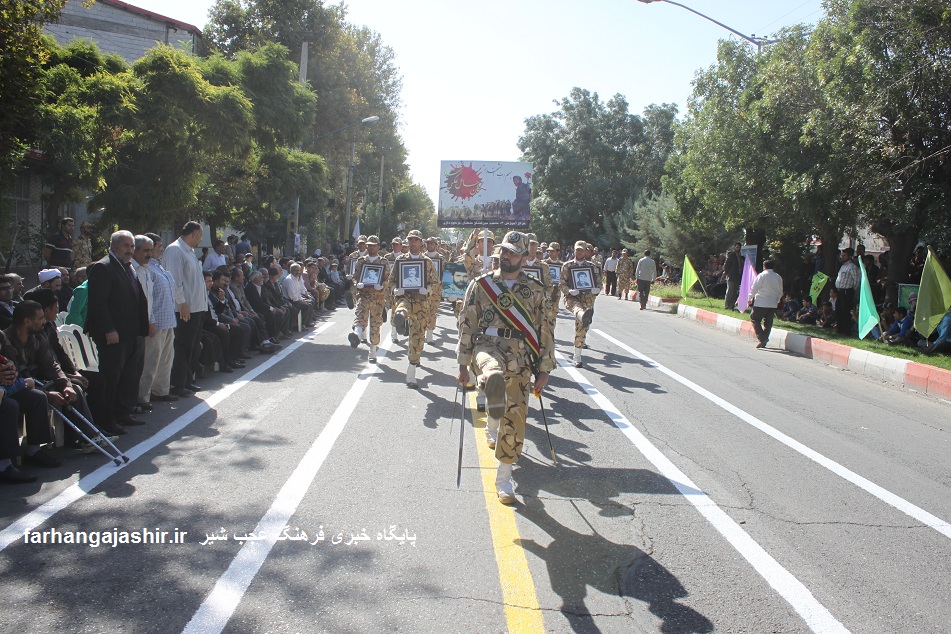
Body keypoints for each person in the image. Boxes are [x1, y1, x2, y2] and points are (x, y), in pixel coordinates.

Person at [457, 230, 554, 504]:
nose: (505, 255)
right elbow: (467, 323)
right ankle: (491, 383)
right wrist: (463, 363)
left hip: (521, 356)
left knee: (515, 417)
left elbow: (545, 328)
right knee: (492, 371)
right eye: (503, 251)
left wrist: (544, 368)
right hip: (487, 346)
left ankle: (504, 479)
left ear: (523, 256)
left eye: (512, 252)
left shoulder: (536, 289)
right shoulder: (481, 284)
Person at [85, 230, 149, 428]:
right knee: (112, 377)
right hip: (113, 335)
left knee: (128, 377)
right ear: (113, 246)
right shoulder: (103, 267)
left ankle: (123, 413)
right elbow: (98, 304)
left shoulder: (128, 267)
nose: (130, 250)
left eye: (132, 246)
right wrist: (108, 329)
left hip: (130, 333)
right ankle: (107, 419)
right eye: (125, 246)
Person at [387, 229, 438, 387]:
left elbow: (434, 282)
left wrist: (428, 289)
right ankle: (401, 318)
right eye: (410, 240)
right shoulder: (400, 260)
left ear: (421, 242)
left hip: (421, 302)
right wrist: (395, 289)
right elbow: (391, 280)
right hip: (405, 296)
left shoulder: (427, 262)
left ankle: (411, 370)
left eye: (415, 240)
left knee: (417, 336)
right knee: (401, 308)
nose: (413, 242)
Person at [163, 221, 208, 397]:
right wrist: (182, 303)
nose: (201, 239)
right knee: (182, 346)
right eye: (200, 235)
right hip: (185, 308)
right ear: (194, 233)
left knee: (193, 346)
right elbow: (175, 280)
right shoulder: (175, 250)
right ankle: (177, 383)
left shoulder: (189, 251)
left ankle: (187, 380)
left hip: (197, 307)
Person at [138, 233, 180, 404]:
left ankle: (161, 391)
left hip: (168, 320)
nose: (161, 249)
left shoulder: (160, 267)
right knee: (151, 362)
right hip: (156, 322)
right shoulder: (146, 269)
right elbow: (147, 298)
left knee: (165, 360)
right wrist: (151, 320)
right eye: (159, 246)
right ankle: (143, 397)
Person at [561, 241, 601, 367]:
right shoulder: (567, 266)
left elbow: (599, 283)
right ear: (574, 250)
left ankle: (577, 355)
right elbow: (561, 283)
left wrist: (597, 290)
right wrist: (569, 291)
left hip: (587, 300)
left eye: (582, 250)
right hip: (572, 298)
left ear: (586, 252)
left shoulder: (592, 266)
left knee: (582, 328)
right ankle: (582, 315)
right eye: (577, 250)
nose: (579, 252)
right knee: (578, 309)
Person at [350, 235, 390, 362]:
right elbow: (355, 276)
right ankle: (356, 335)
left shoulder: (384, 262)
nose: (371, 248)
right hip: (363, 295)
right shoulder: (361, 261)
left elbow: (388, 279)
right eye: (369, 245)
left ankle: (372, 351)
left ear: (378, 246)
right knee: (360, 316)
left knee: (375, 324)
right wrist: (357, 284)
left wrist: (382, 285)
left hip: (378, 298)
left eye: (373, 245)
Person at [748, 259, 783, 349]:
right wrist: (777, 300)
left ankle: (762, 338)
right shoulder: (778, 277)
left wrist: (750, 298)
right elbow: (780, 291)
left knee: (754, 319)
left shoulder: (762, 275)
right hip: (772, 303)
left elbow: (754, 288)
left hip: (761, 302)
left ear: (764, 266)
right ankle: (764, 339)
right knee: (768, 323)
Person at [835, 247, 860, 335]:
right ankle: (840, 329)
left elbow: (856, 281)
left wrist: (851, 290)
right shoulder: (843, 266)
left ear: (849, 256)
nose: (842, 257)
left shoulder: (852, 267)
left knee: (845, 311)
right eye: (842, 255)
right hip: (840, 291)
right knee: (838, 310)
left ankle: (846, 331)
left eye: (844, 255)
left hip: (847, 292)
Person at [723, 242, 742, 310]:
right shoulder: (731, 255)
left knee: (735, 292)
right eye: (737, 247)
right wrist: (727, 274)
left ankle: (731, 305)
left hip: (737, 276)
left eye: (739, 247)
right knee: (730, 291)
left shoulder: (740, 256)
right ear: (734, 247)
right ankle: (727, 305)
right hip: (731, 276)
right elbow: (726, 266)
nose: (738, 249)